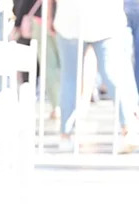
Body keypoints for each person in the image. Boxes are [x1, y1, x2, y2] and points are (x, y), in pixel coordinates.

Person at [50, 0, 139, 152]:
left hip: (71, 18)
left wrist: (49, 17)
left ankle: (65, 134)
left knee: (70, 78)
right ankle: (128, 127)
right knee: (112, 73)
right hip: (103, 20)